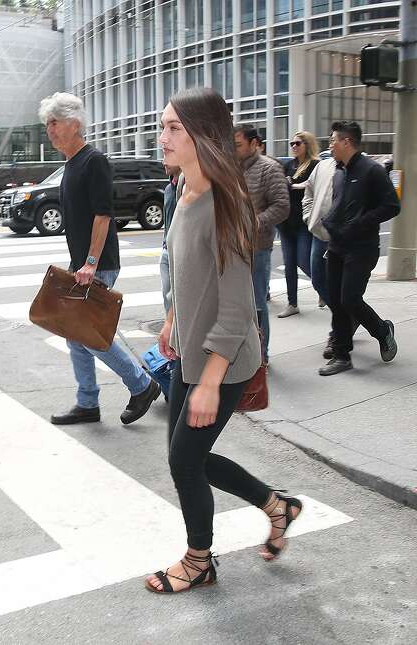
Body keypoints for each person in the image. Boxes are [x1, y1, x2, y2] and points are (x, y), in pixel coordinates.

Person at [146, 88, 304, 594]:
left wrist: (211, 383)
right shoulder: (185, 191)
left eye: (174, 128)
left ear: (203, 135)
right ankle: (278, 507)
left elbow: (238, 308)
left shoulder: (224, 204)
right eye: (163, 125)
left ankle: (199, 560)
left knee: (184, 459)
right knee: (187, 456)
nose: (162, 136)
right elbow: (192, 274)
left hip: (224, 361)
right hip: (191, 352)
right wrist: (173, 317)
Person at [39, 92, 160, 426]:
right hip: (83, 263)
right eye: (47, 124)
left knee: (90, 333)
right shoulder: (71, 163)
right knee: (75, 331)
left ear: (75, 123)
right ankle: (88, 402)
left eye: (54, 122)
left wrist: (91, 262)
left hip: (99, 262)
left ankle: (141, 384)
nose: (49, 130)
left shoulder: (93, 161)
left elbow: (103, 216)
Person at [318, 121, 400, 376]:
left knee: (350, 299)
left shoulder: (372, 171)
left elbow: (392, 206)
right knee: (336, 300)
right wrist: (331, 221)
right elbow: (340, 204)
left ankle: (382, 330)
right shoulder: (339, 171)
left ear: (347, 142)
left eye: (333, 140)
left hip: (362, 248)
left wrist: (359, 222)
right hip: (337, 246)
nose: (330, 145)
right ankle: (342, 354)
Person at [234, 124, 289, 364]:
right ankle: (243, 354)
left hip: (257, 247)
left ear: (254, 143)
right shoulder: (231, 168)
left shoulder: (270, 168)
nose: (233, 150)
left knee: (256, 304)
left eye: (238, 145)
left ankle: (261, 355)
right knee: (235, 305)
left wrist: (255, 222)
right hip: (231, 247)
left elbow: (282, 206)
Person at [277, 131, 320, 318]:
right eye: (292, 143)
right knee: (289, 264)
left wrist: (293, 185)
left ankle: (323, 288)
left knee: (304, 261)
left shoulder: (315, 165)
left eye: (298, 143)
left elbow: (314, 188)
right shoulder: (287, 165)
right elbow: (281, 186)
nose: (294, 146)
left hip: (304, 222)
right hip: (286, 222)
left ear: (307, 145)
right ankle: (292, 303)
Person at [302, 146, 337, 354]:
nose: (332, 145)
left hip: (343, 240)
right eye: (331, 140)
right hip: (320, 234)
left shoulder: (360, 170)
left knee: (341, 289)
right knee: (318, 280)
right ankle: (346, 318)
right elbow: (309, 193)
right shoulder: (322, 166)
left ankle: (338, 332)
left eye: (336, 140)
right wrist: (309, 218)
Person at [160, 163, 181, 314]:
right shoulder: (168, 189)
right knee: (167, 298)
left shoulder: (190, 188)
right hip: (167, 251)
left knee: (179, 300)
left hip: (181, 253)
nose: (163, 162)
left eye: (167, 156)